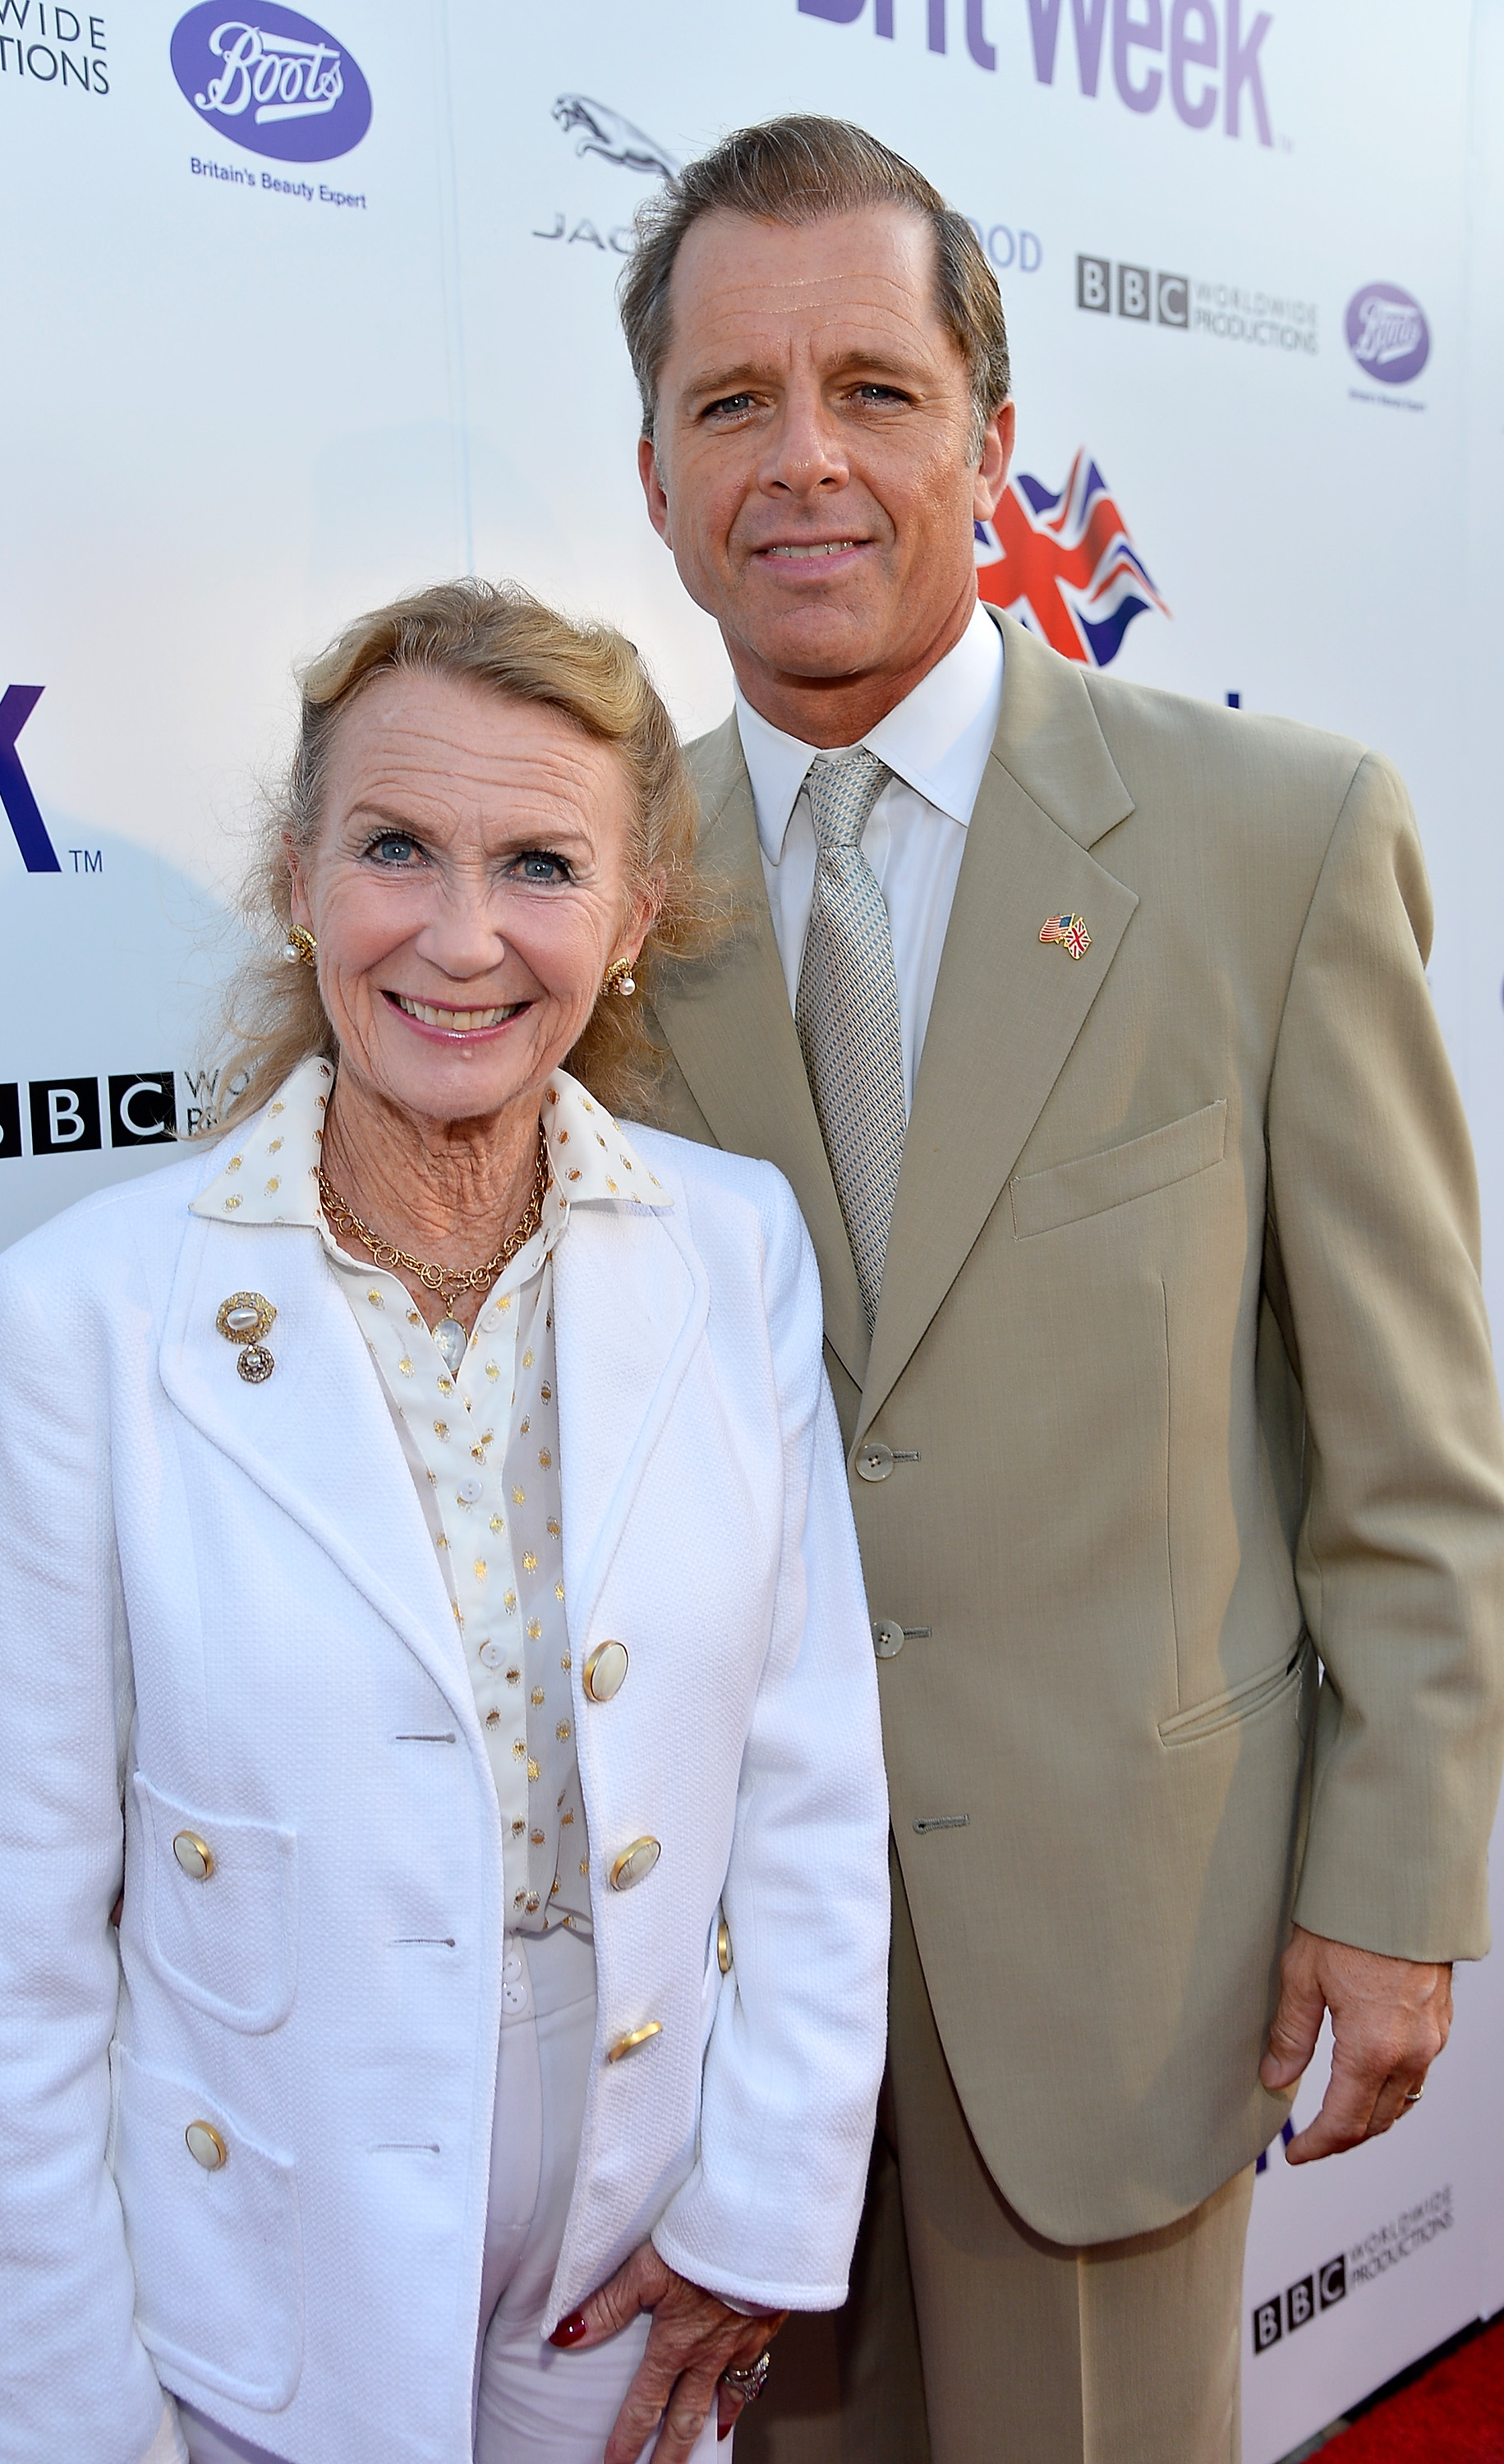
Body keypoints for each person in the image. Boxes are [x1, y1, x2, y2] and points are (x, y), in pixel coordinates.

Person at [618, 115, 1504, 2463]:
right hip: (719, 2003)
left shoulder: (1270, 838)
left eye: (874, 391)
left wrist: (1396, 1876)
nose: (801, 461)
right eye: (731, 404)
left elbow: (1410, 1449)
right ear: (651, 480)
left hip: (1124, 1950)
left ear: (990, 442)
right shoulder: (591, 895)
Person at [0, 580, 891, 2464]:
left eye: (539, 864)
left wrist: (759, 2211)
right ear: (299, 880)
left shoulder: (734, 1248)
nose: (460, 940)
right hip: (263, 2257)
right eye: (394, 848)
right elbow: (27, 1954)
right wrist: (68, 2421)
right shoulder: (79, 1321)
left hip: (629, 2230)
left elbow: (806, 1779)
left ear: (631, 922)